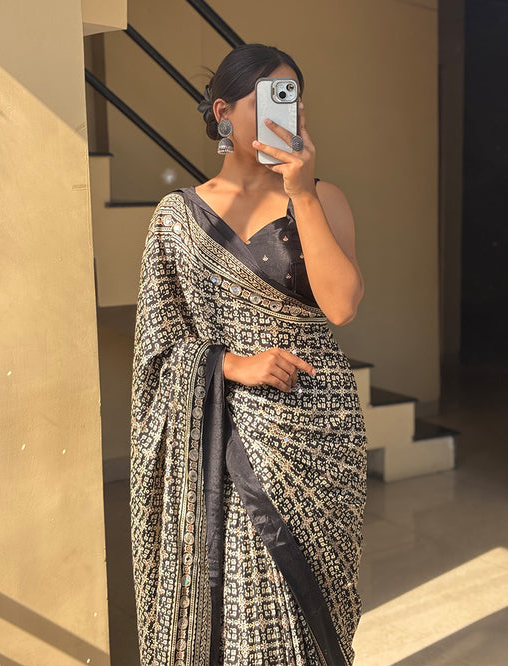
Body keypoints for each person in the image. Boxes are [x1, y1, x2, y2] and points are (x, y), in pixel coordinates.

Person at [130, 43, 368, 666]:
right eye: (266, 99)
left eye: (291, 101)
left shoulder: (324, 198)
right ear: (223, 114)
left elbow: (342, 306)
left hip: (321, 430)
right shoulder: (177, 220)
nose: (282, 114)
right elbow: (157, 346)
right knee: (246, 616)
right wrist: (232, 364)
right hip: (234, 432)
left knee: (321, 619)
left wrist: (302, 193)